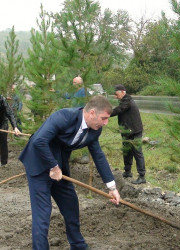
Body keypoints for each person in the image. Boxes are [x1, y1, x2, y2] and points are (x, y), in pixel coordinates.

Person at [18, 95, 121, 250]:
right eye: (104, 118)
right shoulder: (64, 116)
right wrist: (53, 167)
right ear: (92, 113)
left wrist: (112, 188)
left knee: (71, 205)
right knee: (43, 213)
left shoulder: (95, 130)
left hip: (59, 167)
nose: (105, 123)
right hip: (39, 164)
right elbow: (39, 141)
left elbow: (98, 155)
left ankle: (78, 245)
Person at [111, 84, 146, 184]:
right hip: (127, 131)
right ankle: (127, 171)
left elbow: (119, 109)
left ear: (123, 92)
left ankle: (142, 176)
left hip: (134, 131)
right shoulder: (124, 100)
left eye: (116, 94)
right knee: (127, 151)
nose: (115, 96)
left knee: (137, 152)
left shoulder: (127, 101)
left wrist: (106, 113)